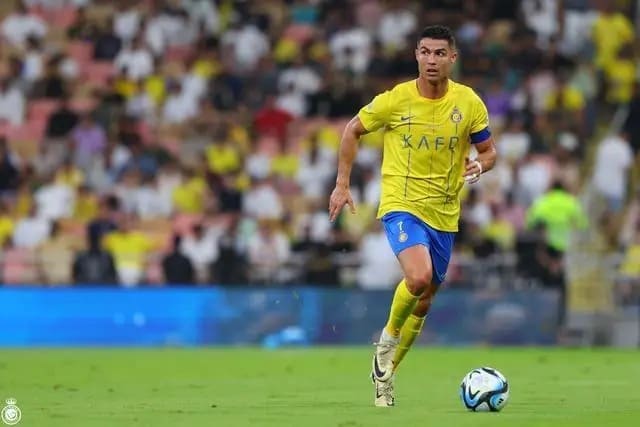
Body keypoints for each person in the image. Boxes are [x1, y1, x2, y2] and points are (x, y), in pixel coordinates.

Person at [328, 25, 497, 407]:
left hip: (444, 212)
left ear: (452, 58)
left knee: (424, 301)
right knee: (418, 278)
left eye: (439, 53)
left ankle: (386, 375)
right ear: (416, 55)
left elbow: (488, 151)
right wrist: (342, 184)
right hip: (401, 204)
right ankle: (386, 340)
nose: (431, 60)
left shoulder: (469, 102)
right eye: (425, 52)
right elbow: (352, 130)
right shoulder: (395, 100)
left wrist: (480, 164)